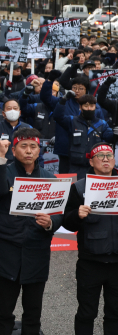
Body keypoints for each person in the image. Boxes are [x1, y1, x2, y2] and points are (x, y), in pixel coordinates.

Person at [0, 128, 59, 335]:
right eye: (23, 146)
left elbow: (60, 213)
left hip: (37, 249)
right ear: (13, 150)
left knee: (33, 311)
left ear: (39, 150)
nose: (28, 151)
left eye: (33, 146)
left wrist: (50, 222)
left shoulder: (49, 178)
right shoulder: (5, 170)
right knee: (5, 309)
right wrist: (0, 156)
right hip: (8, 248)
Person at [63, 142, 118, 334]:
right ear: (91, 162)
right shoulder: (78, 188)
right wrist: (76, 215)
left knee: (115, 314)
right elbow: (66, 222)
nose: (105, 159)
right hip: (90, 262)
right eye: (100, 156)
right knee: (86, 313)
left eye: (109, 155)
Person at [53, 94, 112, 179]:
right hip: (75, 167)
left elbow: (110, 138)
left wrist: (115, 133)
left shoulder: (102, 124)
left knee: (94, 192)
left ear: (95, 107)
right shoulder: (72, 121)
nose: (89, 109)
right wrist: (63, 100)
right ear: (80, 107)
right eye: (86, 106)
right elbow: (57, 117)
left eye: (92, 106)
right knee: (73, 190)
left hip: (96, 168)